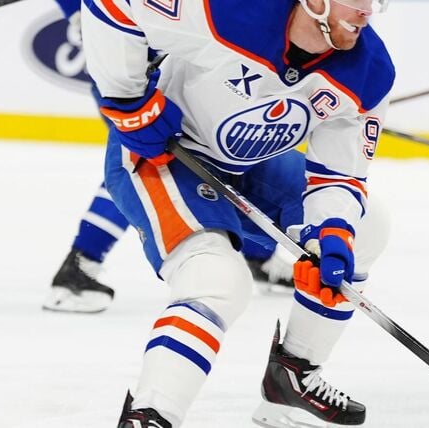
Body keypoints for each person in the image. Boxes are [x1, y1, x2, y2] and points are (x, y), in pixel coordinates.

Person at [80, 0, 394, 426]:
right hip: (166, 157)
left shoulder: (369, 70)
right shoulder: (227, 11)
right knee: (218, 280)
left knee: (366, 228)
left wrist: (331, 231)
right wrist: (127, 98)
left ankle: (292, 377)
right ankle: (151, 414)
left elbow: (339, 176)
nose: (367, 11)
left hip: (247, 166)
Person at [41, 0, 298, 314]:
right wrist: (79, 12)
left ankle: (258, 254)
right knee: (145, 160)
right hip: (137, 60)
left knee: (230, 149)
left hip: (187, 56)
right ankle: (80, 263)